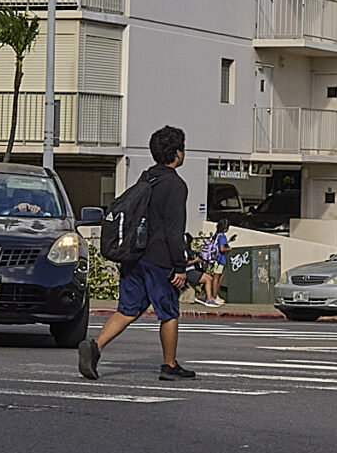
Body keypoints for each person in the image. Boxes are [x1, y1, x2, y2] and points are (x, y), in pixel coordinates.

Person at [78, 125, 196, 383]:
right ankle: (169, 365)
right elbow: (174, 230)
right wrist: (180, 266)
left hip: (133, 256)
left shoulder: (147, 178)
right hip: (159, 259)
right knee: (169, 312)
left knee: (128, 309)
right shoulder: (175, 185)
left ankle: (96, 346)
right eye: (182, 149)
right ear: (177, 153)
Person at [197, 218, 233, 307]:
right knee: (216, 279)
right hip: (220, 260)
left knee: (215, 278)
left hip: (216, 260)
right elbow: (221, 249)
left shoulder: (217, 235)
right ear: (225, 228)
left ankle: (203, 295)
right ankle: (214, 296)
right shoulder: (222, 236)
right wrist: (229, 248)